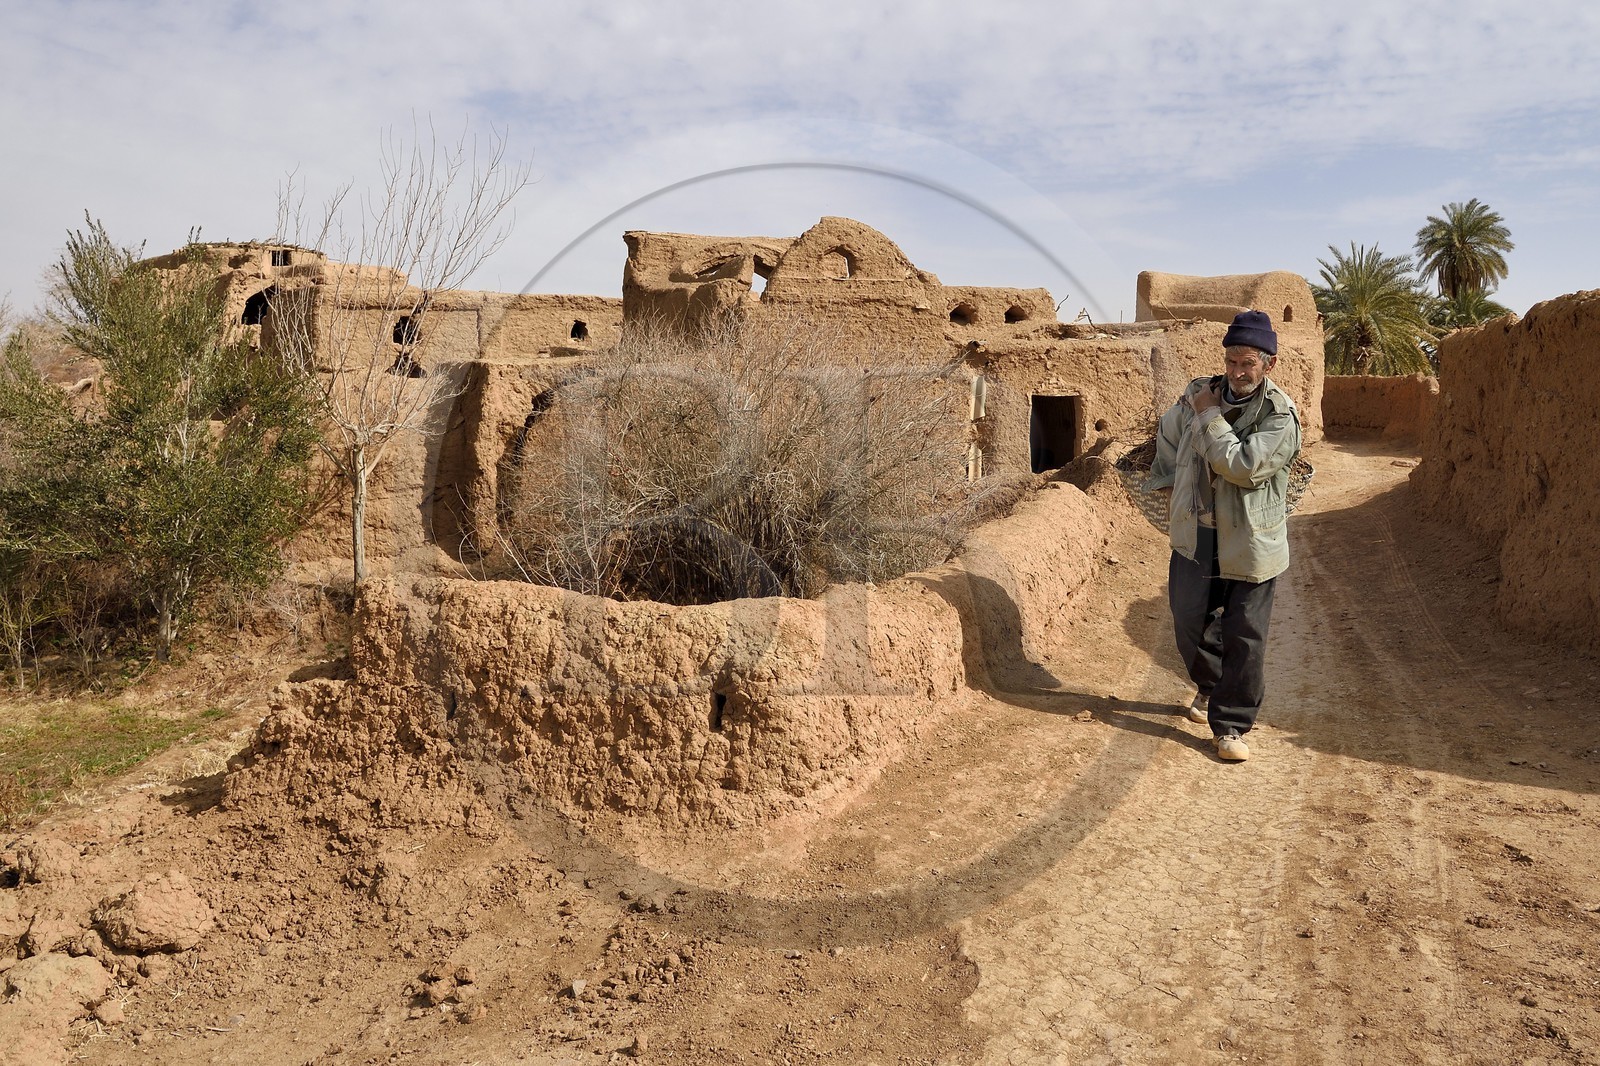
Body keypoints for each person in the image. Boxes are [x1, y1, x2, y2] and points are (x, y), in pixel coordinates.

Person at [1145, 310, 1301, 762]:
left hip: (1252, 542)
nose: (1236, 371)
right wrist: (1172, 479)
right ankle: (1210, 685)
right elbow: (1170, 433)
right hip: (1198, 535)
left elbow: (1241, 466)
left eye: (1247, 362)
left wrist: (1211, 416)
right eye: (1231, 360)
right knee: (1187, 617)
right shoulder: (1198, 392)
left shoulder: (1279, 416)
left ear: (1268, 364)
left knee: (1245, 633)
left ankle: (1230, 725)